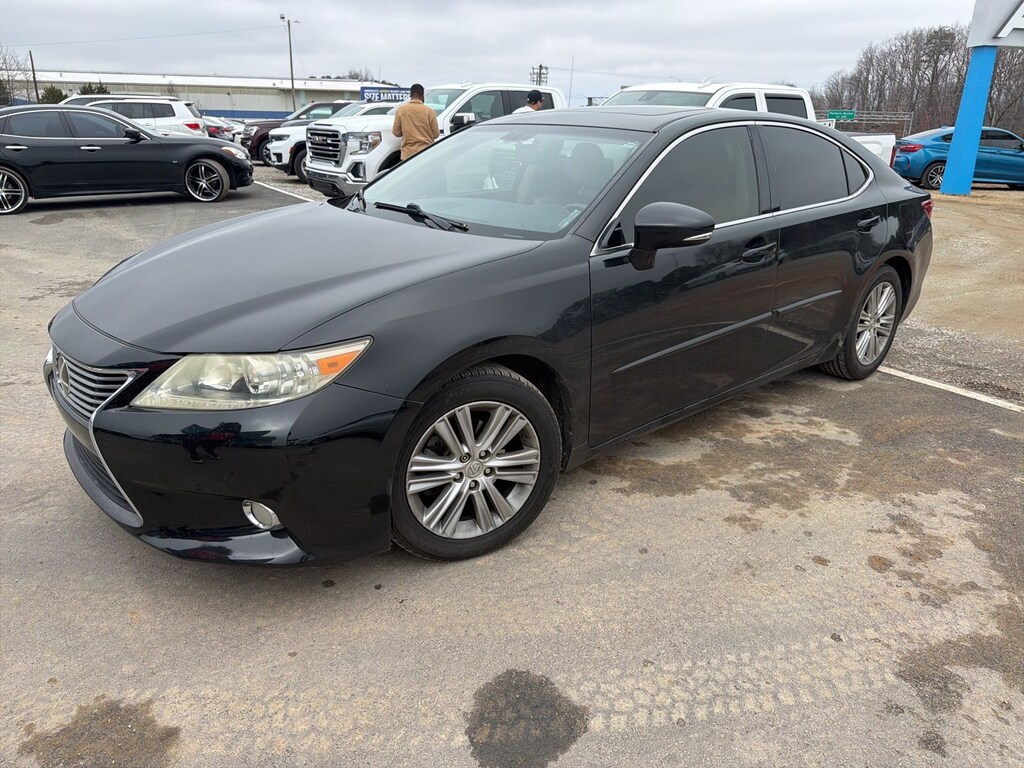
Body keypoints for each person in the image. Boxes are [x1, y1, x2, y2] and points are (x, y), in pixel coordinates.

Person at [392, 83, 440, 160]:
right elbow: (436, 135)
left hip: (407, 155)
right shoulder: (429, 111)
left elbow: (396, 133)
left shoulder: (401, 110)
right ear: (422, 96)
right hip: (426, 153)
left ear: (410, 95)